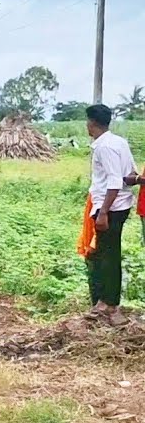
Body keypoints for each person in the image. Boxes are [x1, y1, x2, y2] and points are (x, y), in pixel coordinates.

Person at [79, 104, 136, 326]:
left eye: (87, 122)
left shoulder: (104, 147)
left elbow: (114, 181)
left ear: (92, 123)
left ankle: (110, 304)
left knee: (108, 257)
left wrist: (103, 213)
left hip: (109, 208)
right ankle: (105, 302)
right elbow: (130, 174)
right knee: (105, 254)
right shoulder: (119, 142)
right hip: (119, 205)